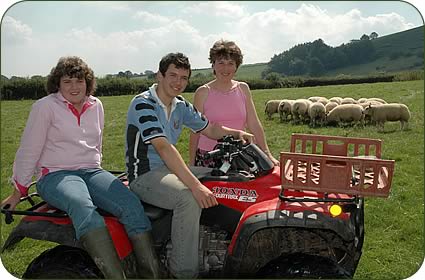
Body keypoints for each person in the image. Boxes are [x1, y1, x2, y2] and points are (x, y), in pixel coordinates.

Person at [0, 56, 160, 279]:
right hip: (56, 174)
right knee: (82, 206)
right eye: (67, 82)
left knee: (131, 204)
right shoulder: (45, 107)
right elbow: (29, 149)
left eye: (79, 81)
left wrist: (98, 173)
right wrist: (19, 191)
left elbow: (97, 142)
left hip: (91, 170)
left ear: (87, 82)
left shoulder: (96, 105)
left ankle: (152, 275)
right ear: (58, 84)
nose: (74, 87)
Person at [126, 52, 254, 278]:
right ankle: (183, 272)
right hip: (145, 174)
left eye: (183, 78)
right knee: (187, 197)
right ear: (160, 75)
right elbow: (164, 148)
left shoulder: (179, 105)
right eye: (173, 75)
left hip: (168, 169)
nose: (178, 82)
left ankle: (215, 245)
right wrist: (195, 185)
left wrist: (237, 133)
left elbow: (209, 128)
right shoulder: (143, 103)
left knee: (223, 178)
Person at [189, 39, 280, 167]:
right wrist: (191, 164)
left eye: (230, 63)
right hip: (209, 157)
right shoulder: (202, 92)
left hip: (240, 156)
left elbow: (254, 123)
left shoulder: (243, 89)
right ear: (213, 65)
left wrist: (267, 154)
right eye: (221, 63)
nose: (225, 68)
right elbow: (195, 130)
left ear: (236, 66)